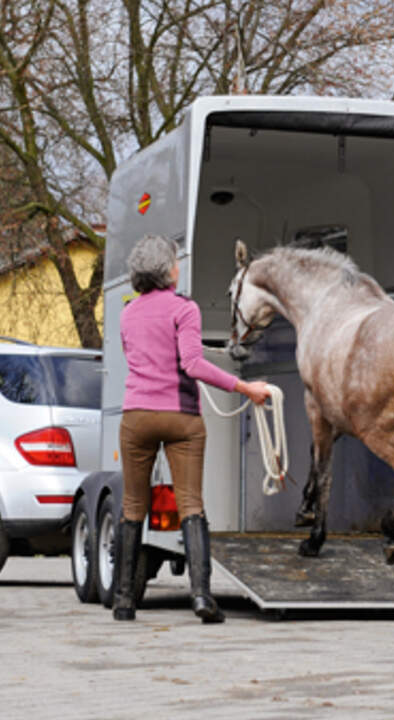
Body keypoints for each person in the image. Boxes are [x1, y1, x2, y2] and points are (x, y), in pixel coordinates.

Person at [114, 235, 271, 623]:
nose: (178, 266)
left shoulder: (128, 313)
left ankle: (123, 601)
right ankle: (201, 597)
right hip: (181, 416)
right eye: (175, 261)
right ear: (167, 270)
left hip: (136, 416)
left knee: (133, 507)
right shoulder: (185, 310)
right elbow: (193, 365)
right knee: (191, 505)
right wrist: (245, 388)